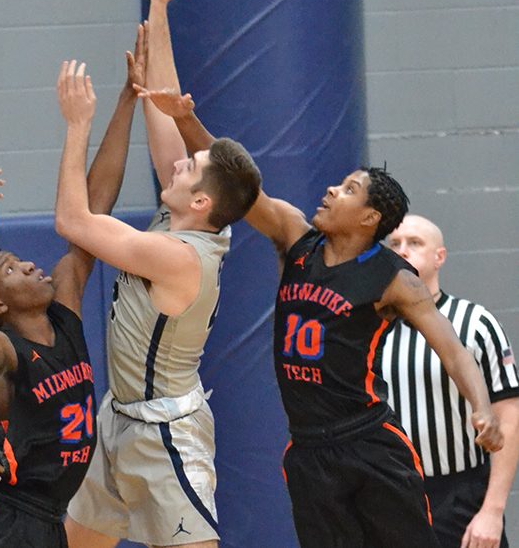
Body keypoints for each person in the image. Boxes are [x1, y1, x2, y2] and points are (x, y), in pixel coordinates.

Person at [142, 92, 506, 546]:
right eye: (339, 184)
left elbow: (452, 350)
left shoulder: (393, 280)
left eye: (350, 190)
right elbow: (240, 185)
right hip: (309, 447)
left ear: (369, 217)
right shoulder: (295, 235)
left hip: (370, 442)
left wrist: (481, 406)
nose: (333, 190)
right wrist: (186, 118)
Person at [57, 0, 263, 548]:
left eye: (189, 167)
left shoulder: (178, 254)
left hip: (166, 433)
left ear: (200, 201)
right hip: (118, 419)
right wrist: (158, 4)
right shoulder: (198, 217)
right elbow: (162, 101)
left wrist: (77, 127)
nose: (177, 164)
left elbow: (74, 218)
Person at [0, 26, 146, 548]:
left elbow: (93, 211)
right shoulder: (2, 355)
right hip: (1, 520)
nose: (30, 266)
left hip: (51, 519)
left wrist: (127, 99)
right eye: (9, 269)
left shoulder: (65, 305)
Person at [382, 215, 519, 548]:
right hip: (389, 497)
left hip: (460, 496)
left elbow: (509, 415)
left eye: (415, 243)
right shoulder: (368, 329)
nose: (403, 251)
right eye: (395, 244)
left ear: (438, 257)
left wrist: (492, 510)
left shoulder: (475, 322)